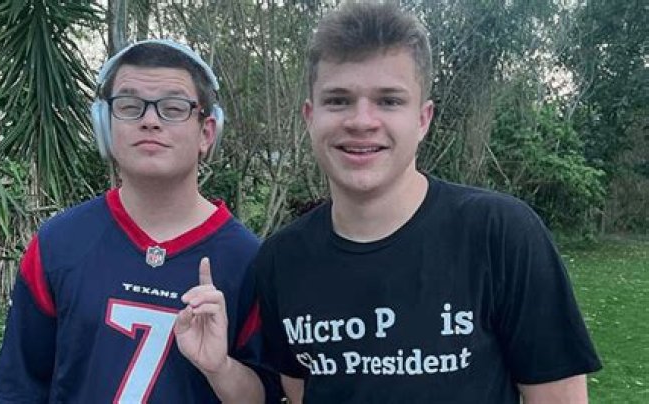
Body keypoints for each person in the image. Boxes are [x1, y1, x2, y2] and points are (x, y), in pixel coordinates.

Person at [254, 3, 602, 403]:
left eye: (389, 101)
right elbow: (301, 392)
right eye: (338, 100)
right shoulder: (281, 260)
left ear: (423, 119)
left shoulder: (500, 235)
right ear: (310, 117)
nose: (362, 121)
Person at [0, 39, 277, 403]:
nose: (150, 121)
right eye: (129, 106)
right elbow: (17, 388)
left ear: (206, 133)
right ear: (105, 127)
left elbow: (268, 396)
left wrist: (220, 368)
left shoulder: (250, 260)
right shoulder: (58, 244)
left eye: (173, 108)